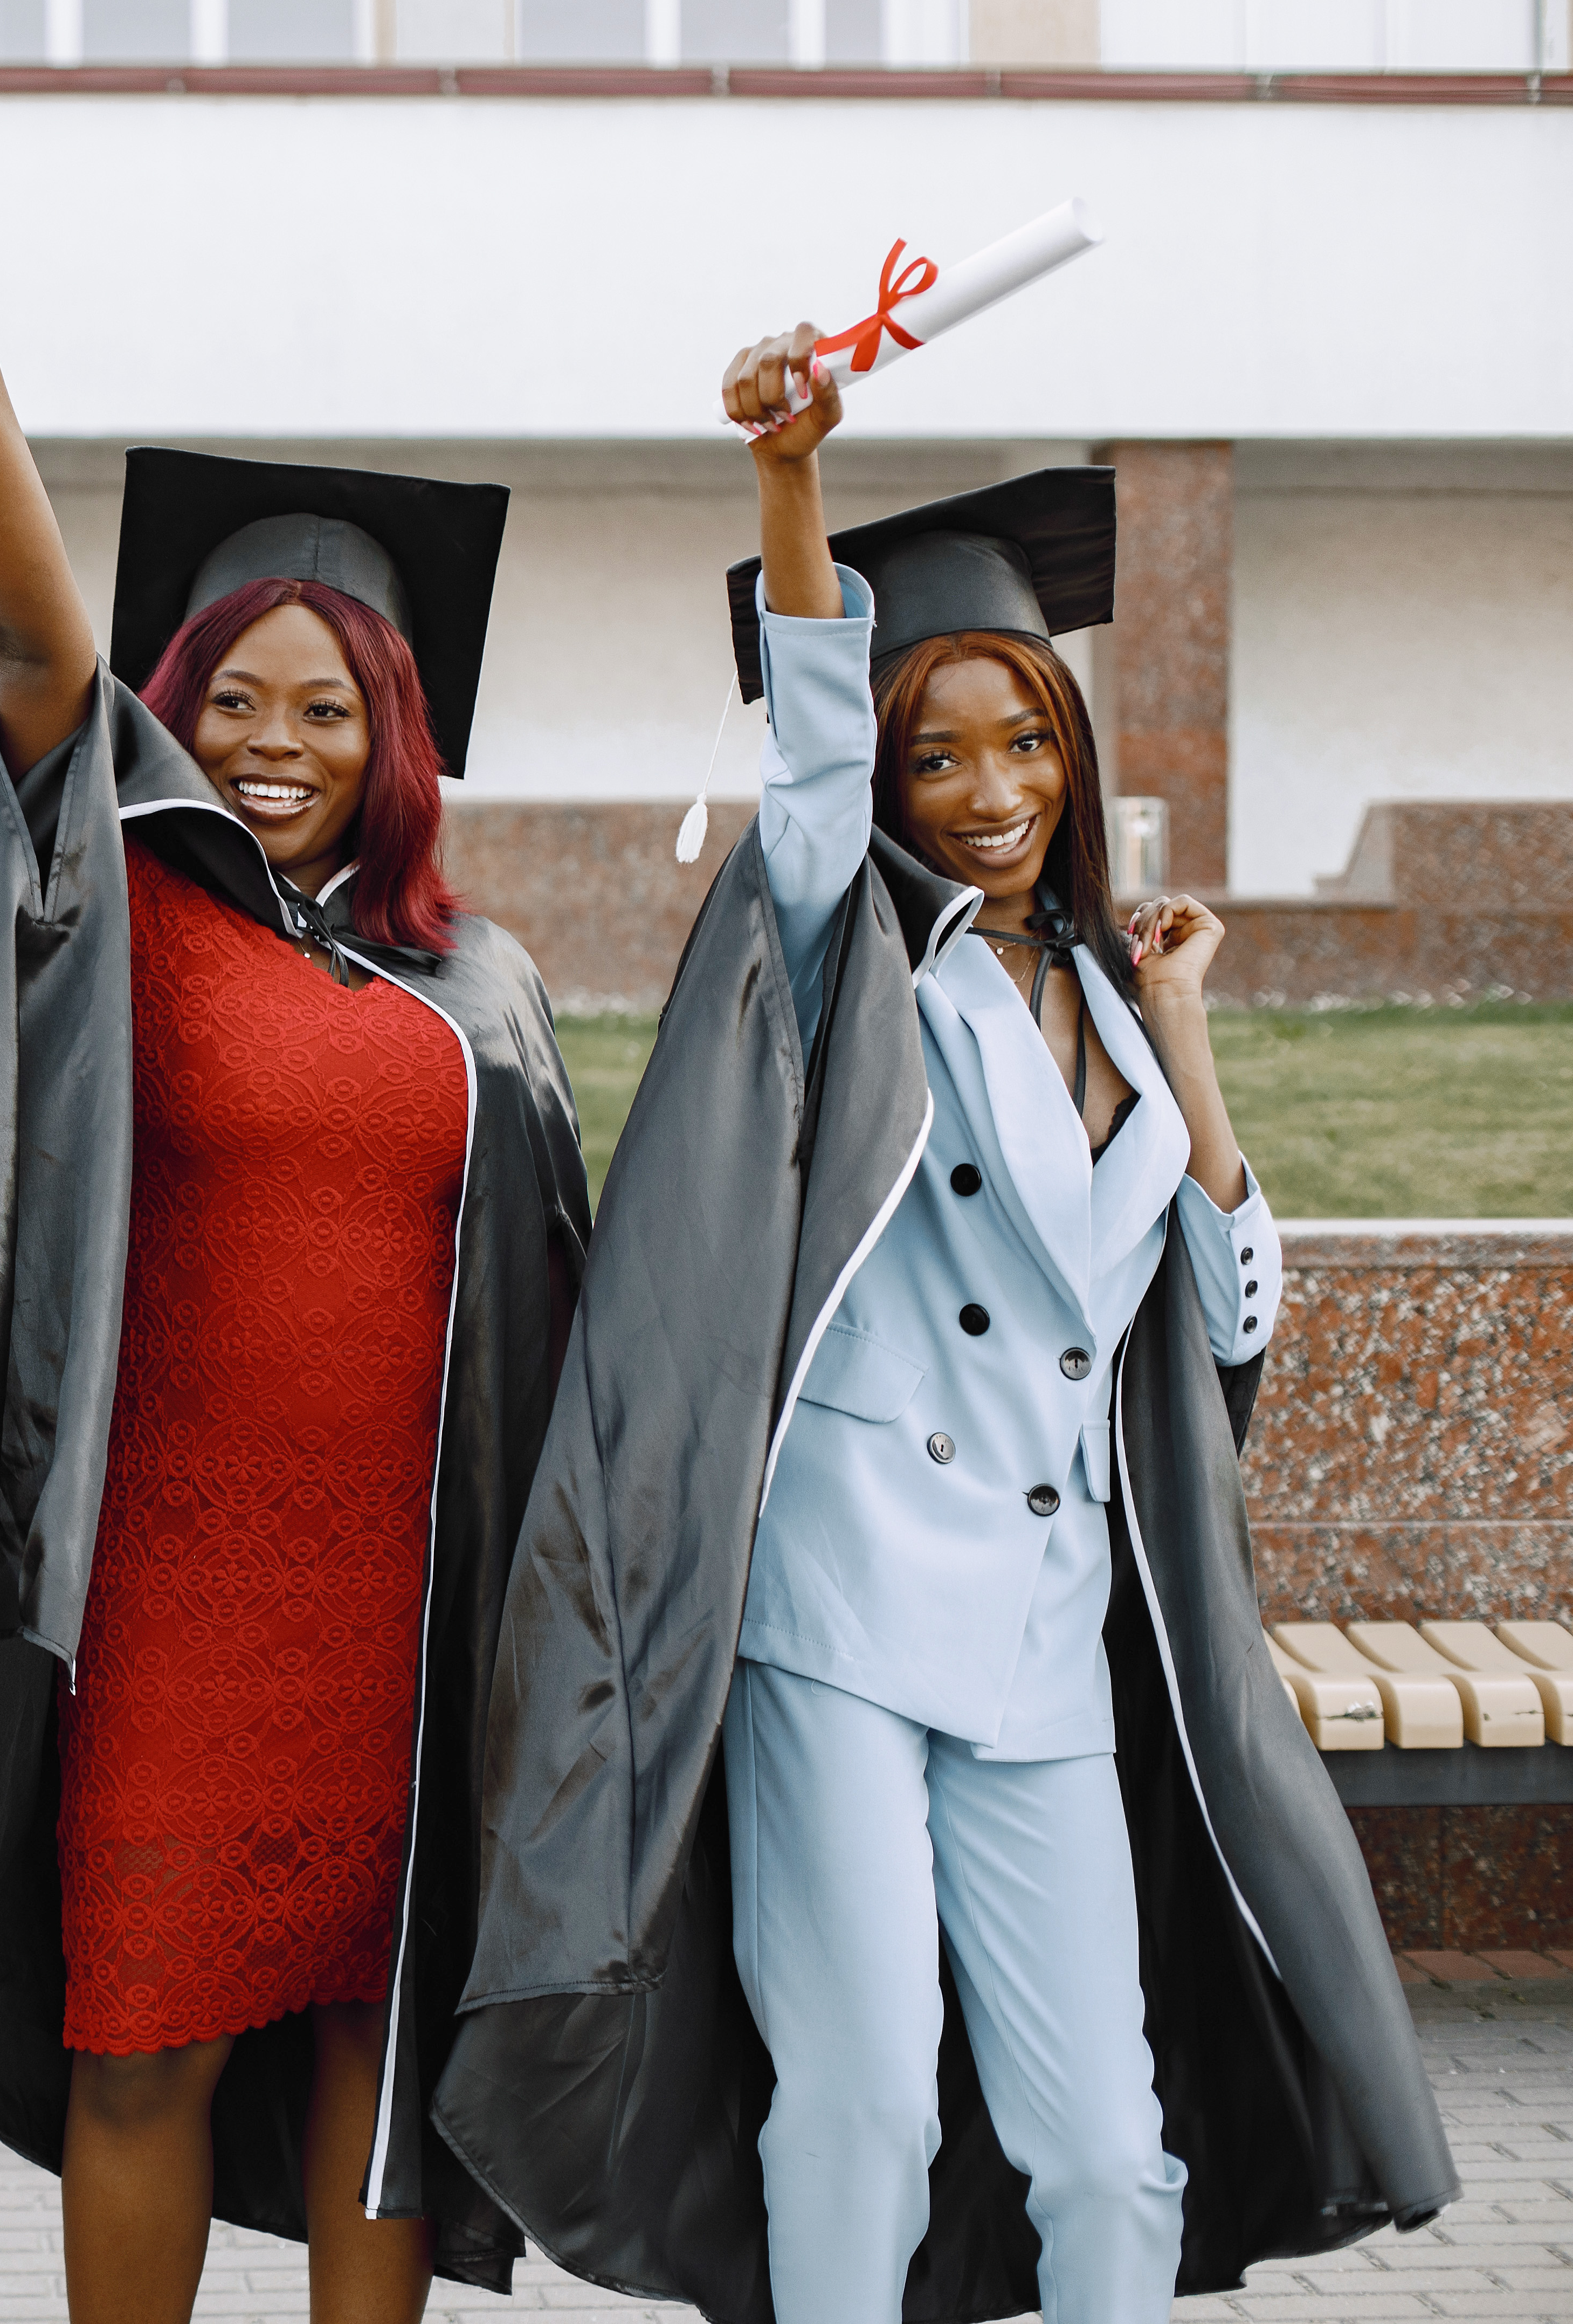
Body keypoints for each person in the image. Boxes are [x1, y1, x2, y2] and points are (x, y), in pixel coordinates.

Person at [434, 330, 1455, 2322]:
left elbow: (1232, 1313)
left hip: (1047, 1636)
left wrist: (1189, 1047)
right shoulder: (851, 958)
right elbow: (804, 765)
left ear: (1074, 752)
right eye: (939, 752)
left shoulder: (1104, 984)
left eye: (1028, 744)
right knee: (869, 2110)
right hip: (839, 1621)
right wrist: (792, 483)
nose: (989, 793)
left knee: (1101, 2143)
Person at [0, 242, 590, 2324]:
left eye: (326, 709)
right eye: (230, 699)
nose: (272, 742)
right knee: (143, 2039)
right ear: (170, 705)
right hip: (168, 1593)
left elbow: (550, 1313)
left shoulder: (474, 984)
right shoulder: (126, 902)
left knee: (368, 2050)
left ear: (393, 735)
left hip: (400, 1605)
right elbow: (32, 637)